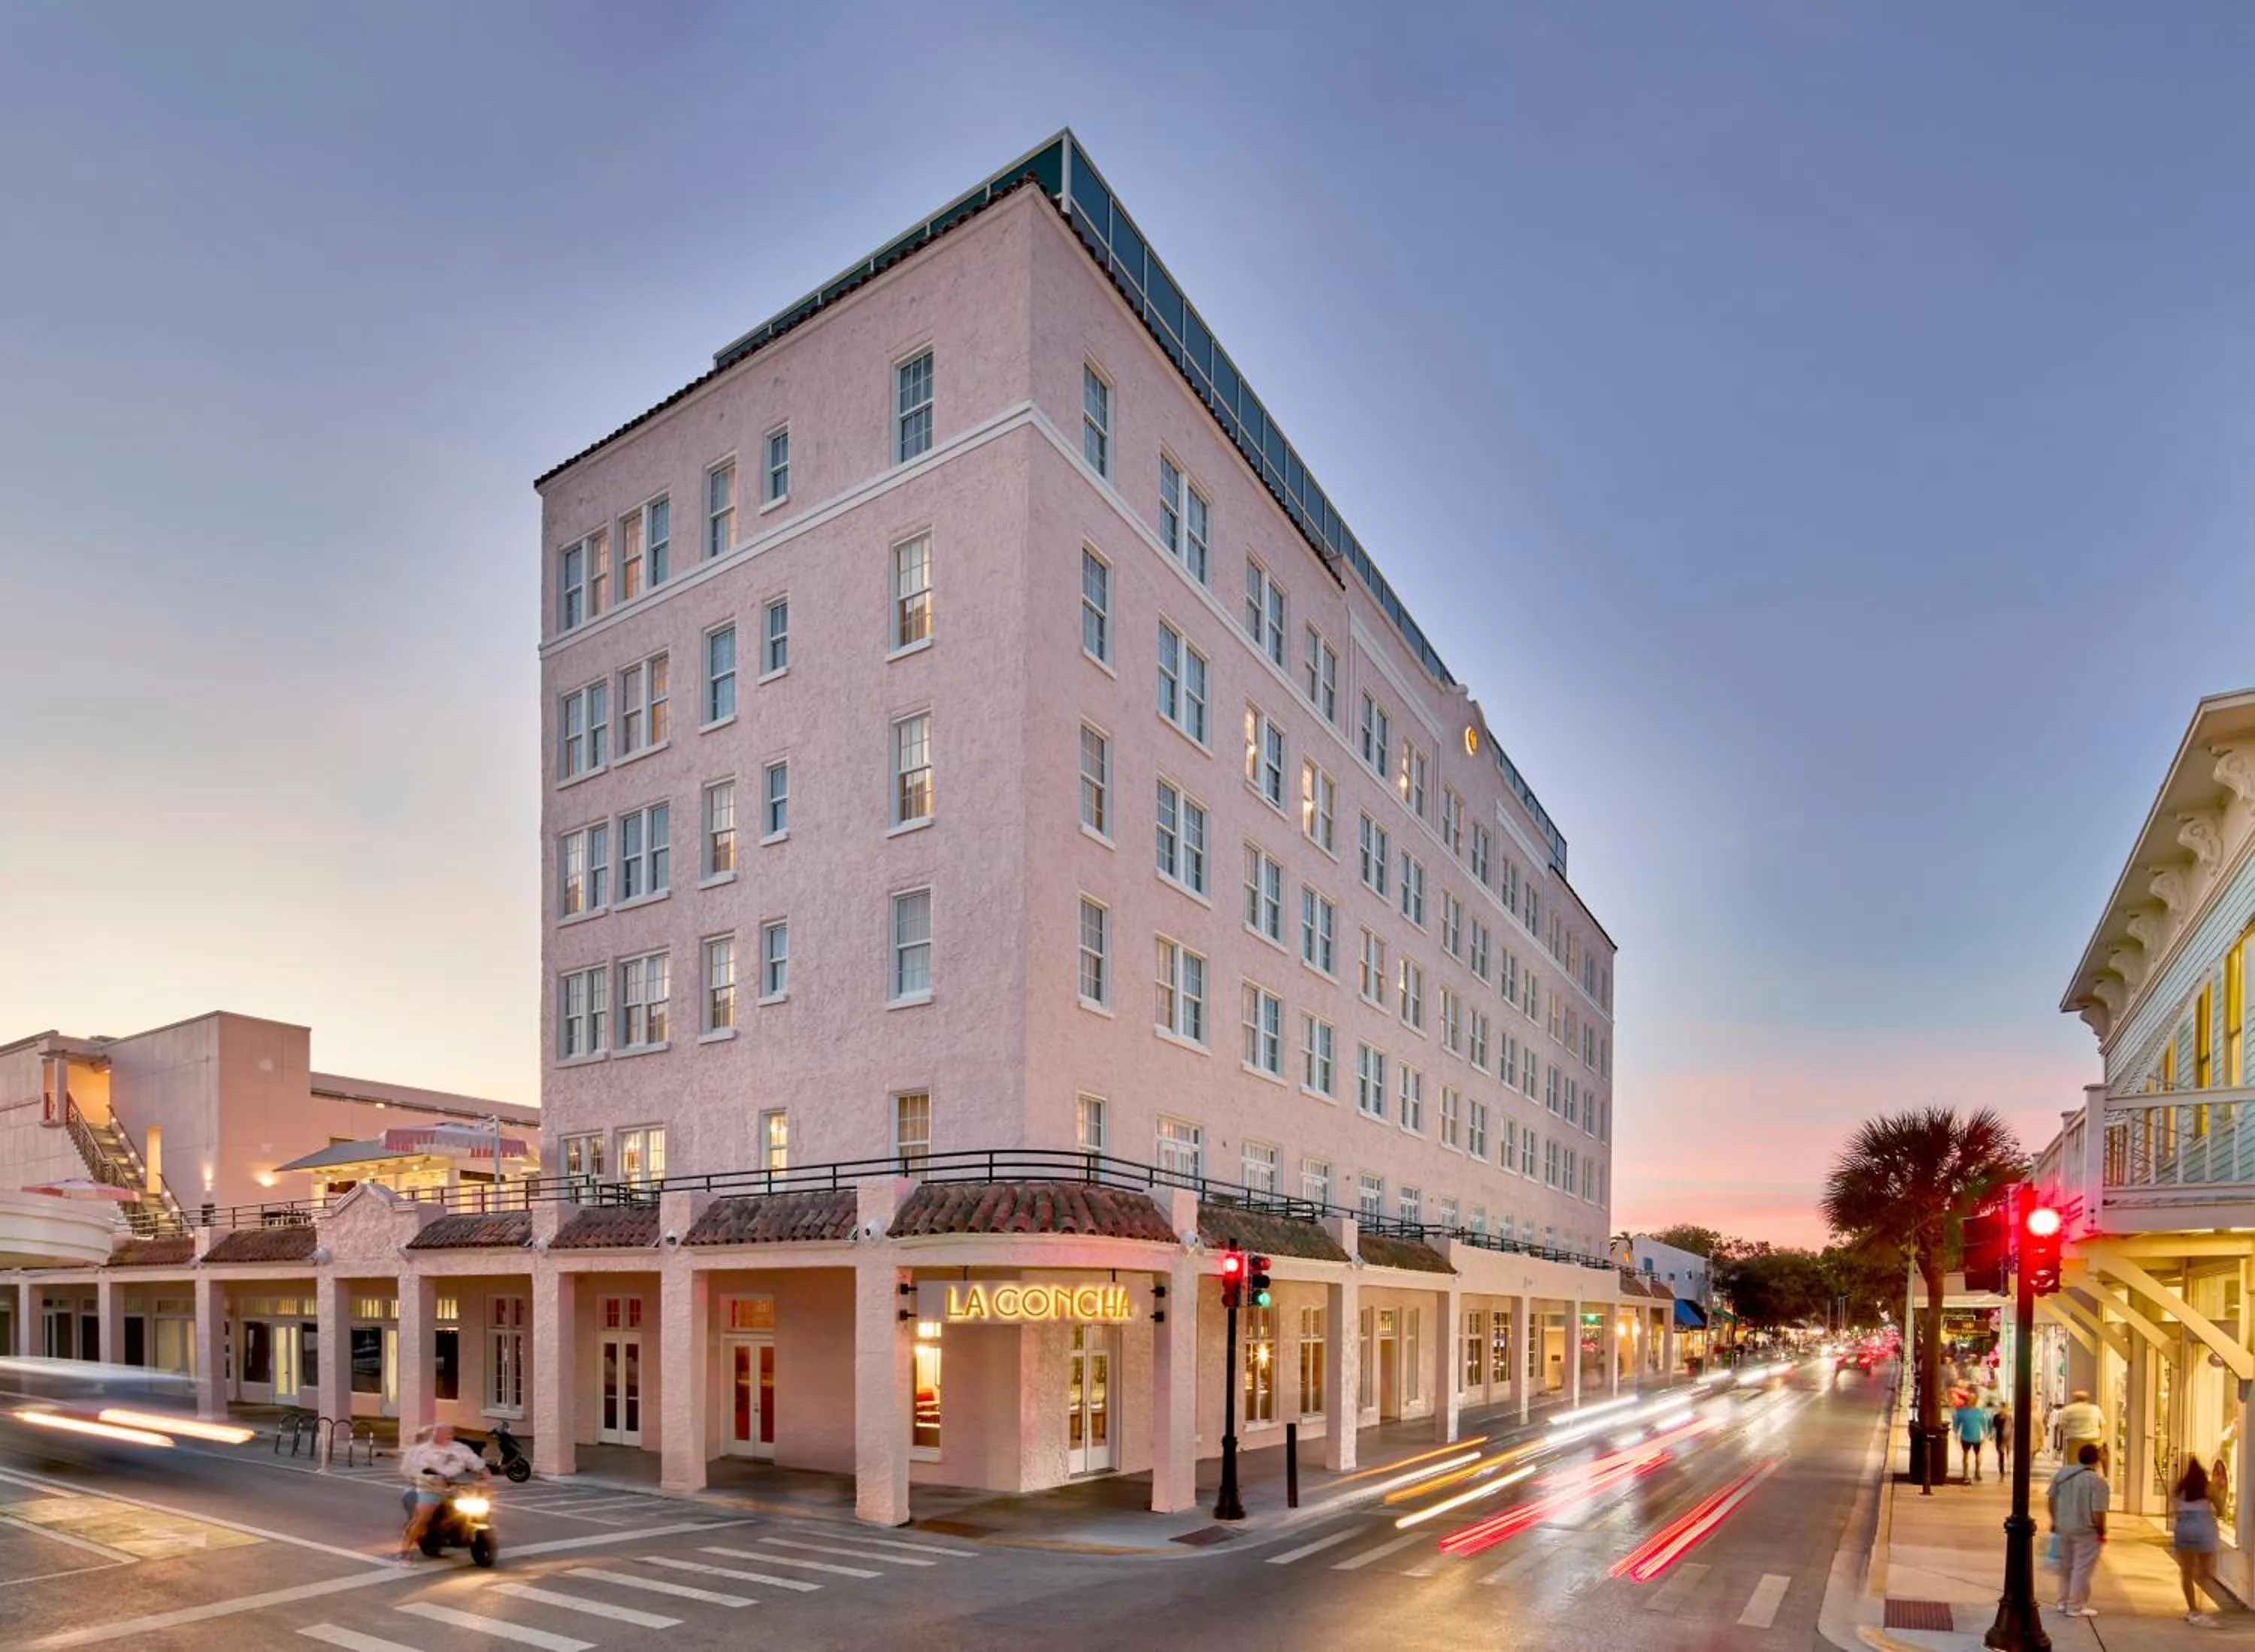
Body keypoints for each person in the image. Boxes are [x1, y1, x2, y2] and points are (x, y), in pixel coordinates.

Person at [398, 1421, 488, 1563]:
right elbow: (412, 1470)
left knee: (480, 1503)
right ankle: (405, 1551)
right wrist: (429, 1478)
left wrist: (485, 1474)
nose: (450, 1436)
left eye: (451, 1433)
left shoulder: (460, 1448)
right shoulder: (420, 1452)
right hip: (430, 1488)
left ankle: (464, 1531)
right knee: (423, 1518)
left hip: (455, 1487)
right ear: (436, 1434)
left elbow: (474, 1461)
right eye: (446, 1433)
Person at [2048, 1442, 2110, 1618]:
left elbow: (2051, 1499)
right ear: (2096, 1459)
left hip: (2063, 1526)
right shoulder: (2098, 1482)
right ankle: (2075, 1606)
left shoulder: (2063, 1474)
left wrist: (2054, 1519)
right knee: (2082, 1568)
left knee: (2066, 1567)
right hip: (2086, 1530)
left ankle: (2063, 1602)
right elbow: (2099, 1511)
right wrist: (2101, 1530)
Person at [2172, 1459, 2221, 1626]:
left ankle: (2192, 1609)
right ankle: (2200, 1606)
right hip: (2203, 1527)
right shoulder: (2208, 1487)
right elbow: (2221, 1509)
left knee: (2186, 1571)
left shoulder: (2180, 1488)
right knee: (2204, 1570)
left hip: (2184, 1527)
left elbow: (2175, 1508)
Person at [2054, 1390, 2105, 1471]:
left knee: (2074, 1465)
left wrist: (2065, 1433)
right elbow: (2102, 1424)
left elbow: (2062, 1425)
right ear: (2087, 1399)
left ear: (2074, 1399)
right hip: (2093, 1440)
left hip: (2075, 1440)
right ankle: (2094, 1480)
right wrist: (2101, 1439)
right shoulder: (2096, 1409)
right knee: (2093, 1464)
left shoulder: (2068, 1409)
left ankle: (2076, 1481)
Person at [1954, 1389, 1992, 1483]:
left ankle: (1976, 1472)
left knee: (1976, 1455)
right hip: (1967, 1437)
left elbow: (1984, 1424)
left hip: (1975, 1437)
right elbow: (1957, 1424)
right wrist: (1956, 1433)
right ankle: (1967, 1473)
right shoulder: (1968, 1412)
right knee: (1967, 1455)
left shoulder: (1977, 1412)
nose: (1970, 1401)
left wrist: (1986, 1434)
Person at [1990, 1393, 2014, 1475]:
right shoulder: (1996, 1417)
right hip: (1999, 1437)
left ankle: (2004, 1467)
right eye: (2001, 1407)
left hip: (2007, 1437)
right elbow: (1994, 1426)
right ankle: (2001, 1466)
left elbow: (2012, 1427)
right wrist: (1992, 1435)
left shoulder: (2009, 1417)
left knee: (2004, 1453)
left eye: (2004, 1407)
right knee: (2000, 1452)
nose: (2002, 1409)